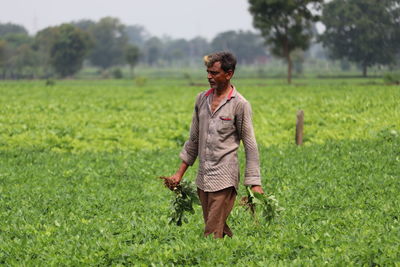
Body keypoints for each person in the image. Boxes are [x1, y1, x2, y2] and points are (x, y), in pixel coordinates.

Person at [166, 51, 264, 238]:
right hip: (203, 177)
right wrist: (179, 174)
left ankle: (208, 257)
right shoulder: (201, 99)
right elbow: (193, 139)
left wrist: (254, 183)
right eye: (208, 72)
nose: (209, 77)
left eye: (214, 73)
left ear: (229, 74)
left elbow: (250, 145)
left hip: (225, 177)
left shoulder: (240, 104)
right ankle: (235, 253)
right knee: (218, 225)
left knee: (211, 231)